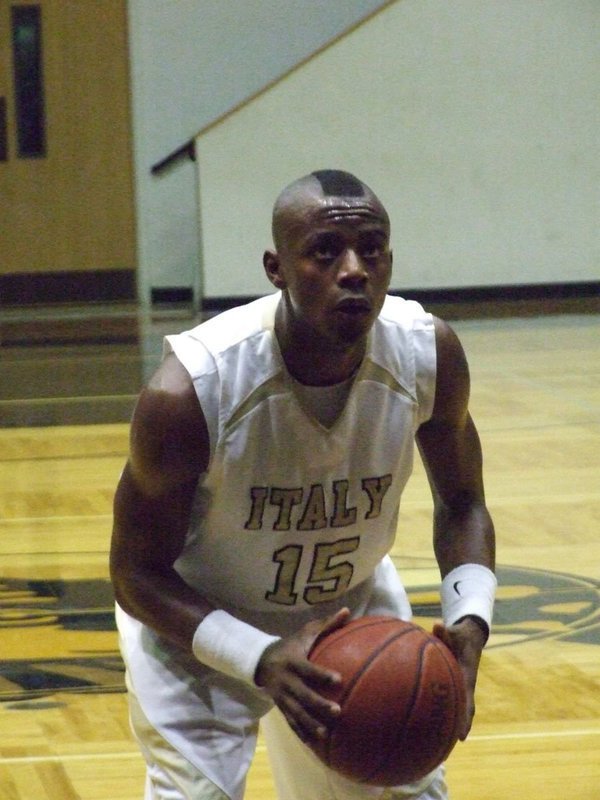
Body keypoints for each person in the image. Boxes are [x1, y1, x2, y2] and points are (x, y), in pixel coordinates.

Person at [110, 169, 496, 800]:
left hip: (348, 610)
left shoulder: (428, 355)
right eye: (325, 251)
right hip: (200, 621)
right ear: (276, 268)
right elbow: (134, 575)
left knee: (410, 793)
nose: (354, 270)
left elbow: (464, 503)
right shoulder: (190, 392)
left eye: (371, 249)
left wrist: (471, 620)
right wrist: (256, 655)